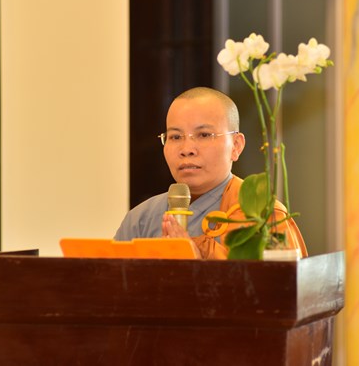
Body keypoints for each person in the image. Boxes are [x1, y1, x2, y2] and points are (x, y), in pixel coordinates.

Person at [114, 87, 307, 259]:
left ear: (236, 146)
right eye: (175, 136)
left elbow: (280, 286)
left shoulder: (263, 216)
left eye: (204, 135)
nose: (187, 149)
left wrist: (197, 265)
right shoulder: (141, 219)